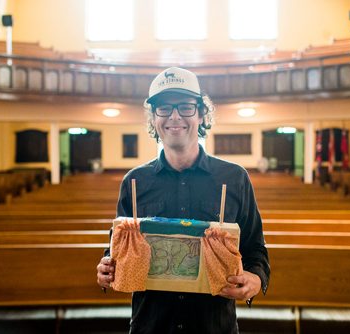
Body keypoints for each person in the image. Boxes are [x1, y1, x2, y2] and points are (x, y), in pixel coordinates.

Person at [97, 67, 270, 334]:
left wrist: (256, 280)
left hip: (213, 326)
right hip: (152, 326)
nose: (175, 116)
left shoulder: (235, 179)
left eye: (186, 107)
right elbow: (117, 249)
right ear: (154, 118)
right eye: (164, 109)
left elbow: (255, 250)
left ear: (201, 114)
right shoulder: (134, 183)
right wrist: (107, 266)